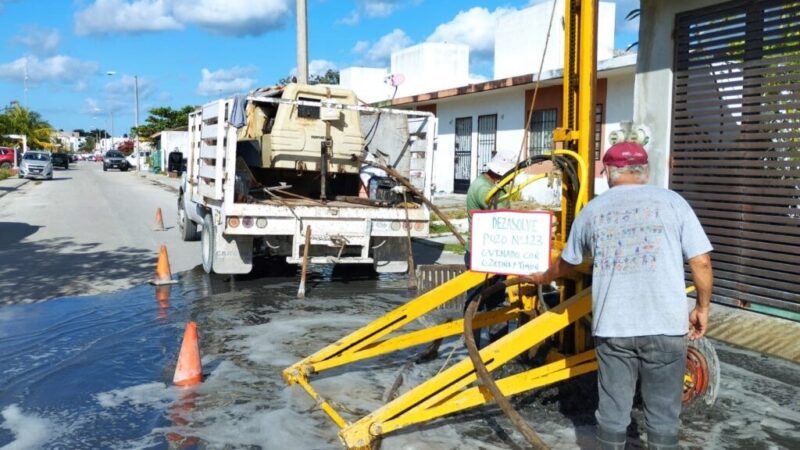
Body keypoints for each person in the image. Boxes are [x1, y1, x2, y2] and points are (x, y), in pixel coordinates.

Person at [526, 142, 713, 450]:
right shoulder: (673, 202)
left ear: (608, 172)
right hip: (666, 326)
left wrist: (542, 277)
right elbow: (701, 261)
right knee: (663, 416)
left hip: (614, 328)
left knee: (613, 414)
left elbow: (568, 262)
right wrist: (702, 308)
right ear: (646, 170)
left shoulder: (593, 210)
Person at [464, 149, 518, 346]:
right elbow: (502, 218)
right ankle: (476, 344)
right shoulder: (486, 190)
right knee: (480, 301)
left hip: (487, 251)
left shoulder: (490, 185)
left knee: (489, 298)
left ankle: (487, 343)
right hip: (484, 253)